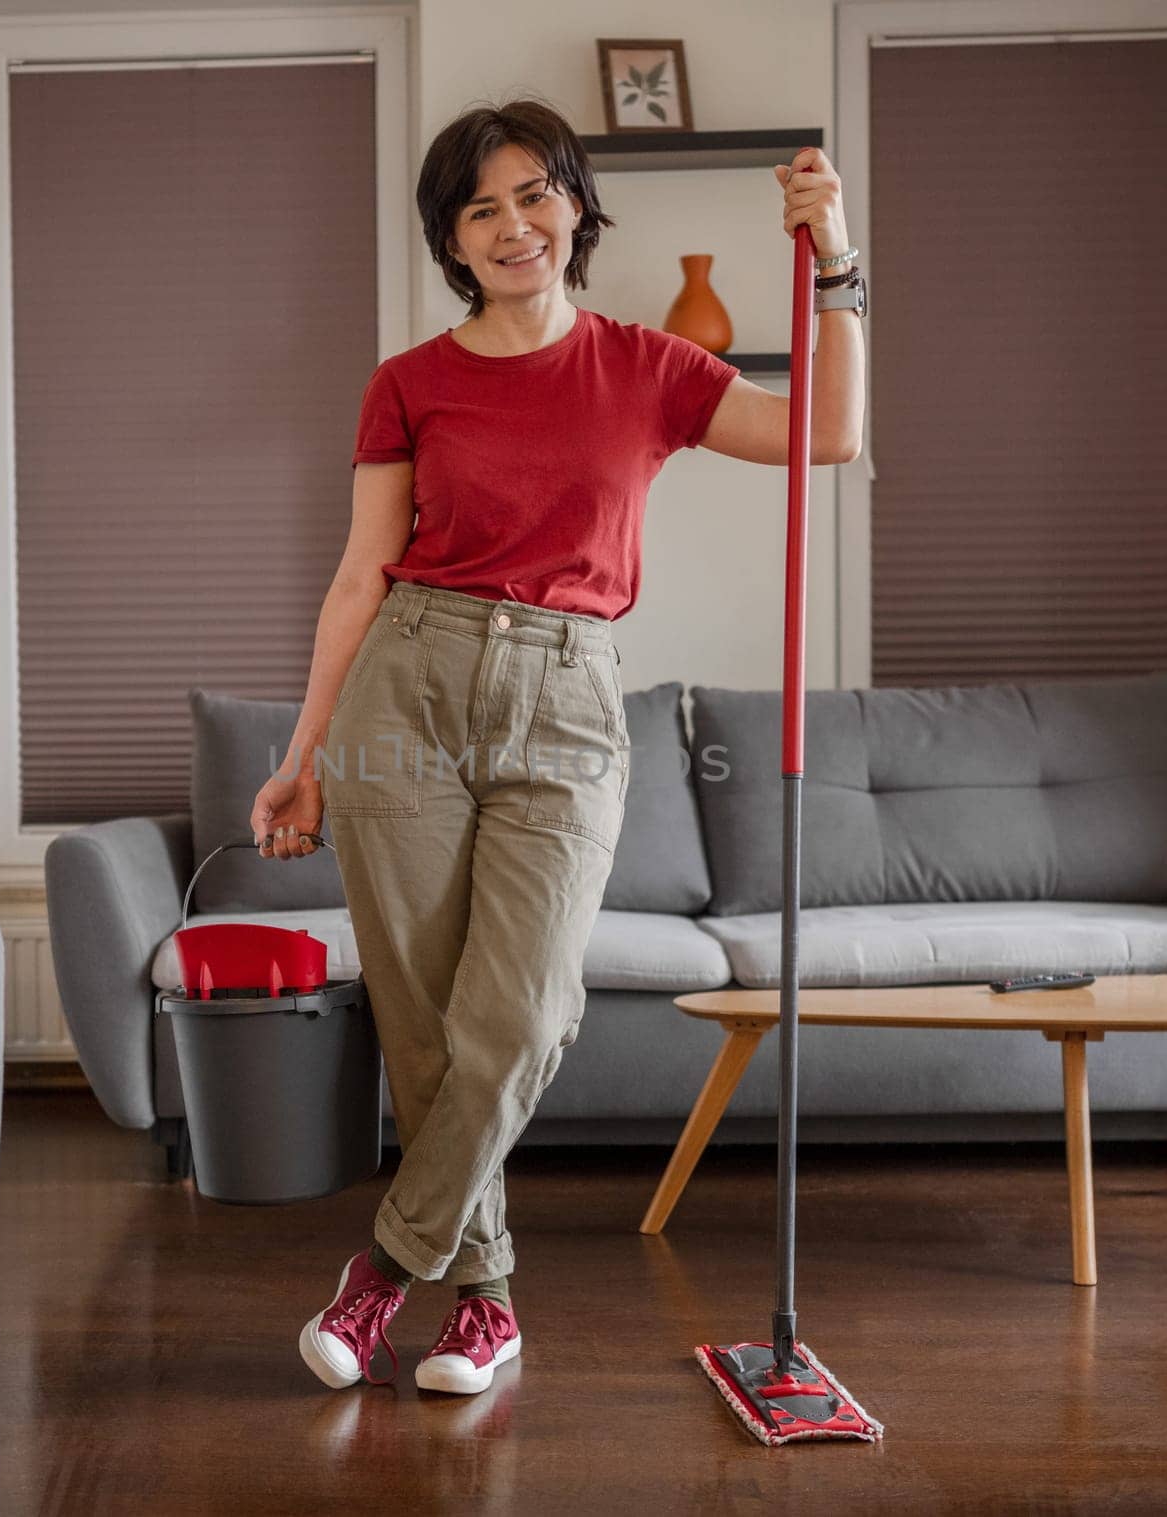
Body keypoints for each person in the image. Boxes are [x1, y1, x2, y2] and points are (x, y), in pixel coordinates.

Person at [249, 96, 863, 1397]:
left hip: (569, 701)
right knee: (424, 1028)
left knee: (521, 1013)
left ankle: (380, 1274)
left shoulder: (648, 367)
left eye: (536, 193)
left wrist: (840, 269)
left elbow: (826, 436)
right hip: (406, 686)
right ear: (452, 241)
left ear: (576, 205)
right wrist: (303, 750)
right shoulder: (409, 381)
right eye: (482, 207)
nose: (515, 222)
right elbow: (361, 573)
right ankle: (485, 1304)